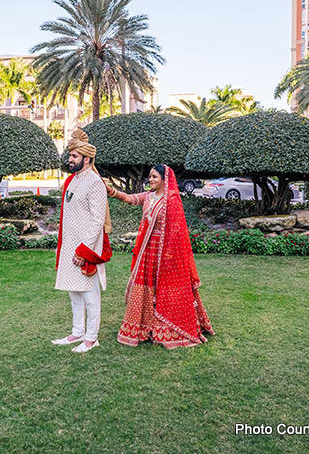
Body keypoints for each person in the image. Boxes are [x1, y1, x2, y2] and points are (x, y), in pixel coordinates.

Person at [107, 165, 214, 349]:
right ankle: (144, 327)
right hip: (147, 250)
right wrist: (112, 191)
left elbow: (177, 231)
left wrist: (170, 255)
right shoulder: (149, 196)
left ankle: (163, 327)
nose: (150, 180)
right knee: (145, 286)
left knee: (163, 289)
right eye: (150, 176)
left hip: (165, 252)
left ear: (164, 179)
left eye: (154, 176)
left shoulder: (171, 200)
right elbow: (131, 199)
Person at [52, 129, 113, 354]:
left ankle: (91, 337)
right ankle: (77, 332)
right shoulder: (73, 180)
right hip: (69, 245)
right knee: (73, 293)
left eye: (75, 156)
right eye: (70, 156)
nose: (70, 159)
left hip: (86, 248)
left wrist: (84, 250)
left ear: (87, 159)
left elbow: (97, 221)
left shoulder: (95, 183)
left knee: (89, 294)